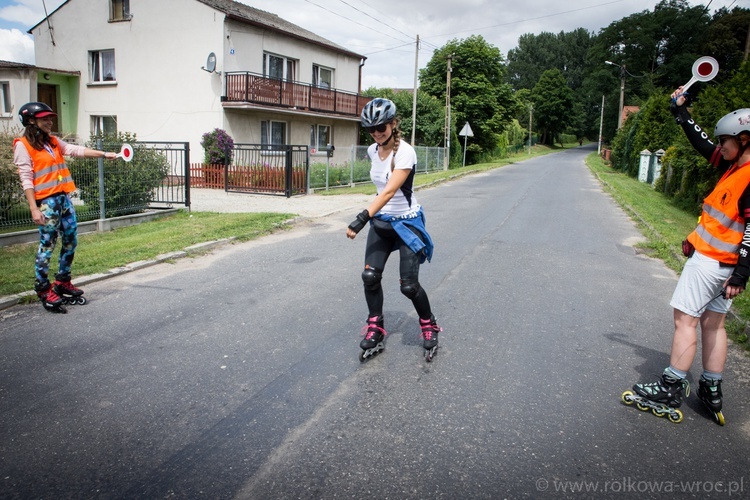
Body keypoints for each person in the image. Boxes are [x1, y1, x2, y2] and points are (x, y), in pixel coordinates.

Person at [628, 88, 750, 425]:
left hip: (712, 265)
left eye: (726, 140)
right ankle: (711, 388)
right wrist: (682, 113)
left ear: (744, 139)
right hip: (723, 269)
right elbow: (704, 147)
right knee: (715, 324)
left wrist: (742, 272)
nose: (720, 146)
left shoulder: (747, 176)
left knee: (686, 321)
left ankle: (670, 385)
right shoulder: (735, 168)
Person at [346, 98, 442, 361]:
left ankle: (429, 325)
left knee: (409, 286)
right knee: (369, 277)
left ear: (393, 123)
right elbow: (379, 187)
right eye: (371, 129)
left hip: (406, 224)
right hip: (382, 225)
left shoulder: (405, 152)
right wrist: (373, 218)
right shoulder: (372, 150)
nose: (377, 133)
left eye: (381, 127)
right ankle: (375, 327)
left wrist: (362, 217)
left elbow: (390, 191)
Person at [13, 102, 117, 312]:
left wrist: (103, 154)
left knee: (70, 240)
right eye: (44, 119)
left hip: (63, 199)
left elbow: (73, 149)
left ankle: (62, 281)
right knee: (47, 244)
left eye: (50, 118)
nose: (49, 122)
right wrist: (34, 208)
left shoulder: (51, 142)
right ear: (31, 121)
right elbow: (26, 179)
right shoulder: (23, 145)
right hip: (46, 203)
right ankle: (43, 287)